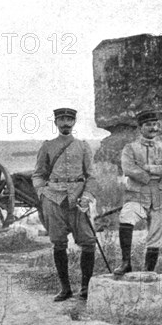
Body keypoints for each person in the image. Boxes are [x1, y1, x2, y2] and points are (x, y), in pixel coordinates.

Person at [32, 108, 98, 301]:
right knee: (58, 242)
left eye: (69, 119)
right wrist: (42, 192)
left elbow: (91, 176)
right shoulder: (47, 146)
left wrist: (86, 195)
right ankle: (65, 288)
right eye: (62, 119)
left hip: (78, 200)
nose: (66, 123)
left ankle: (85, 288)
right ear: (56, 122)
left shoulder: (83, 146)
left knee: (88, 242)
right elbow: (38, 174)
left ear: (74, 122)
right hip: (53, 199)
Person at [113, 110, 162, 276]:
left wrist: (149, 168)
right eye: (148, 125)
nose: (153, 128)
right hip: (137, 194)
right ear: (140, 127)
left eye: (155, 124)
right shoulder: (130, 148)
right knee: (126, 217)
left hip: (161, 196)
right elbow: (129, 169)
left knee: (157, 233)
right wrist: (153, 175)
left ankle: (148, 272)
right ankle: (126, 263)